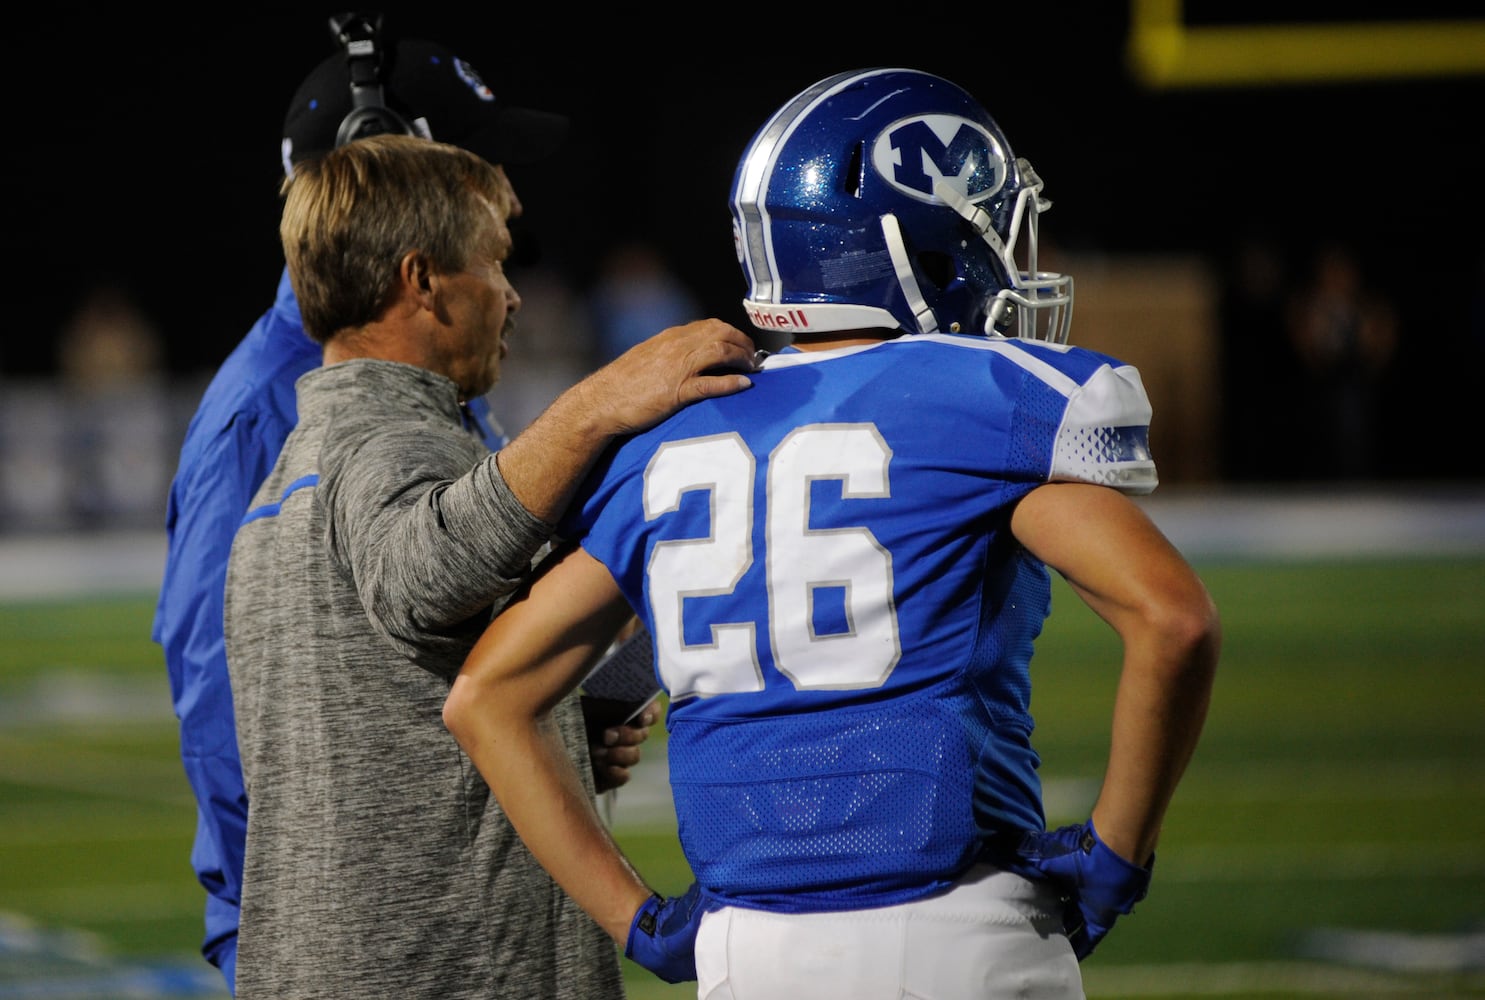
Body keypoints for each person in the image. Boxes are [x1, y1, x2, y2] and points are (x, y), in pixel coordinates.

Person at [443, 68, 1222, 999]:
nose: (1005, 254)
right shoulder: (972, 400)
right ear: (913, 245)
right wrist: (1115, 853)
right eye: (984, 224)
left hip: (746, 951)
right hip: (953, 928)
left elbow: (485, 699)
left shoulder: (670, 439)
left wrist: (636, 918)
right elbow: (1172, 619)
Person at [151, 15, 660, 991]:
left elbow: (410, 662)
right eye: (472, 167)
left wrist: (562, 717)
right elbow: (241, 701)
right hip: (377, 931)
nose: (510, 253)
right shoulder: (286, 407)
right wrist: (266, 921)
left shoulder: (413, 390)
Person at [223, 131, 755, 998]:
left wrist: (571, 731)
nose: (511, 296)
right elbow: (422, 575)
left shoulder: (293, 477)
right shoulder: (388, 443)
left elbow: (387, 719)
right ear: (421, 279)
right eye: (496, 263)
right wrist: (596, 407)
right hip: (440, 970)